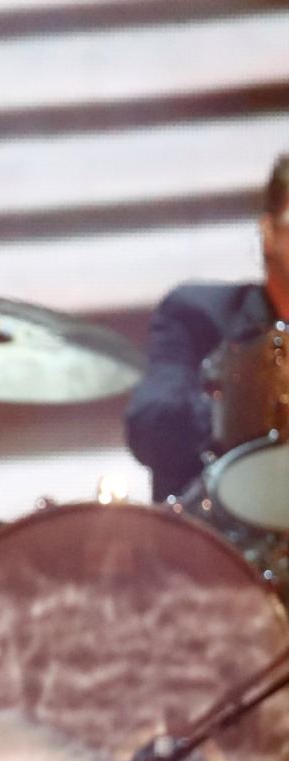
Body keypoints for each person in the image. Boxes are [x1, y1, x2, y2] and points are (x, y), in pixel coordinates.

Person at [126, 153, 289, 501]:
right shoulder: (197, 314)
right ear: (268, 232)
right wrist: (244, 406)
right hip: (220, 542)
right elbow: (149, 427)